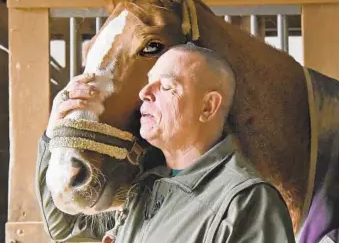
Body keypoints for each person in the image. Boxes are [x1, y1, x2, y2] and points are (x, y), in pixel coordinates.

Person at [37, 43, 295, 242]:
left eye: (167, 86)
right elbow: (67, 229)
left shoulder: (244, 201)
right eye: (149, 82)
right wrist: (55, 136)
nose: (144, 93)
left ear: (208, 106)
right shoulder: (145, 187)